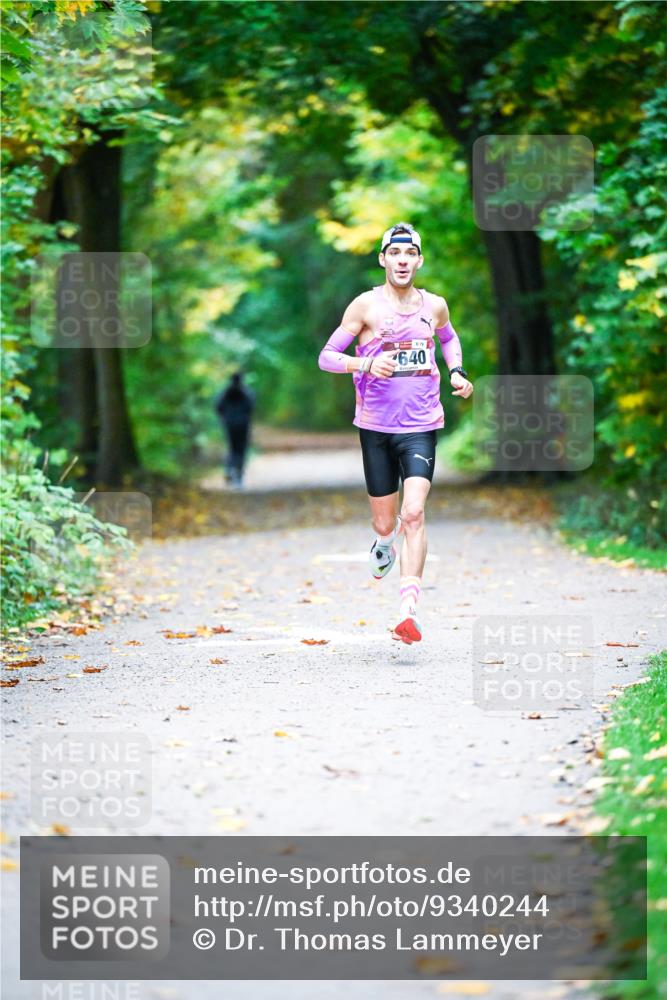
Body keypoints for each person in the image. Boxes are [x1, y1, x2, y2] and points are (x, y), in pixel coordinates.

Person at [317, 222, 473, 644]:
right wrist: (364, 364)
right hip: (376, 428)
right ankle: (383, 542)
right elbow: (327, 357)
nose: (403, 261)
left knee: (415, 513)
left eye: (411, 255)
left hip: (422, 424)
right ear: (383, 259)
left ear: (419, 261)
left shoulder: (434, 305)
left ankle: (408, 611)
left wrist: (457, 371)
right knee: (386, 522)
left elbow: (449, 338)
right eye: (395, 254)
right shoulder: (365, 307)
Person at [215, 372, 255, 488]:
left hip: (229, 425)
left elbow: (218, 407)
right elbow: (251, 407)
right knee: (241, 450)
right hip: (243, 425)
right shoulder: (247, 393)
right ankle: (238, 477)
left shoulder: (225, 393)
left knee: (231, 448)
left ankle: (229, 469)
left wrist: (226, 418)